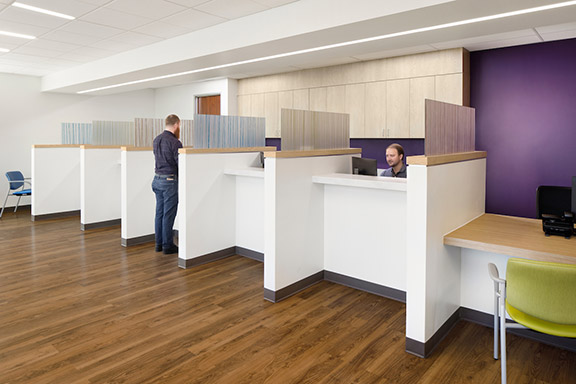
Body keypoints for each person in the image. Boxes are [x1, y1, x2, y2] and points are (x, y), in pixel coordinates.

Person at [152, 114, 183, 254]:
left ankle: (159, 244)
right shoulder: (175, 142)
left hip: (157, 180)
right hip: (169, 181)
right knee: (168, 215)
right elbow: (179, 164)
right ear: (176, 124)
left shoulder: (156, 139)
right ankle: (167, 246)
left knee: (159, 213)